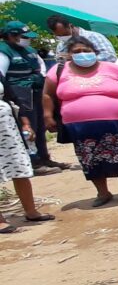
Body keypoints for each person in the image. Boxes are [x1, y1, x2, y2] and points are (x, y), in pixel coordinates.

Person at [43, 36, 118, 206]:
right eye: (77, 52)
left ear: (95, 52)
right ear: (69, 54)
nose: (82, 54)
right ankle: (103, 193)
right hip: (80, 125)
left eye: (86, 51)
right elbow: (47, 94)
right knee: (91, 158)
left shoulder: (112, 68)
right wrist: (47, 115)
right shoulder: (59, 70)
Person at [0, 21, 63, 176]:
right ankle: (33, 161)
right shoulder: (4, 51)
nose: (27, 39)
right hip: (19, 94)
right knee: (28, 127)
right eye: (23, 36)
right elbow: (1, 76)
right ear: (10, 36)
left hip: (35, 92)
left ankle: (44, 157)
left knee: (40, 126)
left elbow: (41, 68)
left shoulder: (29, 50)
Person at [0, 80, 54, 232]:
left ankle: (31, 212)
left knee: (19, 168)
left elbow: (13, 99)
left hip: (7, 130)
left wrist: (25, 124)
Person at [46, 15, 117, 63]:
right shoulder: (61, 46)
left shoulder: (94, 37)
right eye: (59, 36)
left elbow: (110, 57)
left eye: (65, 34)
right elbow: (60, 64)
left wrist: (79, 60)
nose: (62, 37)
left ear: (71, 26)